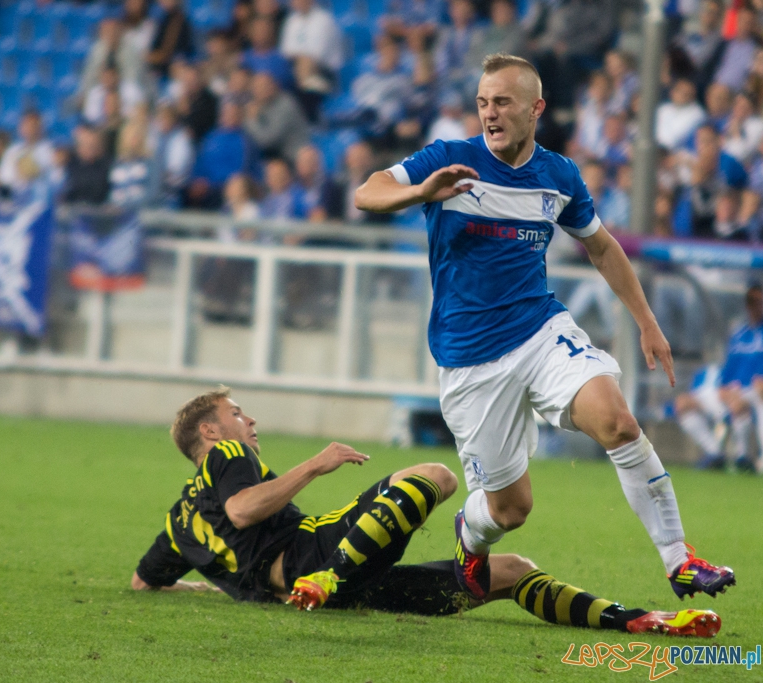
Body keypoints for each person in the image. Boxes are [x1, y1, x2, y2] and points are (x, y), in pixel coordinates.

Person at [352, 53, 735, 605]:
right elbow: (368, 192)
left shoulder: (558, 175)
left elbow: (601, 246)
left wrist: (647, 322)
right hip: (470, 359)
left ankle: (679, 559)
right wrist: (418, 193)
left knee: (618, 421)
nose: (490, 113)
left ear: (536, 108)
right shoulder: (449, 159)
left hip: (540, 330)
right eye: (483, 102)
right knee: (510, 510)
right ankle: (470, 532)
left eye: (502, 102)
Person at [132, 388, 721, 639]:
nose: (249, 423)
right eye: (238, 413)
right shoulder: (228, 457)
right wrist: (315, 464)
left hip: (342, 592)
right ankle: (334, 572)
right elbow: (241, 509)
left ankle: (644, 621)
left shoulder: (175, 526)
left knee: (511, 569)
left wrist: (202, 586)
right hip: (319, 565)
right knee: (436, 477)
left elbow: (144, 579)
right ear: (211, 432)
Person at [675, 284, 763, 473]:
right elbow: (728, 371)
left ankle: (744, 458)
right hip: (731, 390)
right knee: (683, 403)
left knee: (742, 402)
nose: (755, 307)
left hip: (754, 392)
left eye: (759, 302)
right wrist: (724, 389)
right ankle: (715, 453)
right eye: (752, 302)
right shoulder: (739, 334)